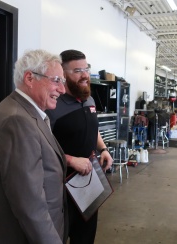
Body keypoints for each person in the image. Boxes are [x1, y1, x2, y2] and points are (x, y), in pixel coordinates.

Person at [0, 49, 68, 243]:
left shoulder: (27, 114)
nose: (62, 90)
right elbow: (31, 206)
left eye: (62, 82)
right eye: (56, 80)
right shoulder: (16, 121)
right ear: (30, 78)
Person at [46, 49, 113, 244]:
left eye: (86, 68)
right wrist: (71, 160)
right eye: (77, 71)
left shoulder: (89, 99)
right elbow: (40, 146)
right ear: (63, 75)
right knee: (58, 235)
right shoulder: (52, 104)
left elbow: (93, 129)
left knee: (86, 236)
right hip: (60, 187)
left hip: (89, 182)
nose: (85, 75)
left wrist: (103, 149)